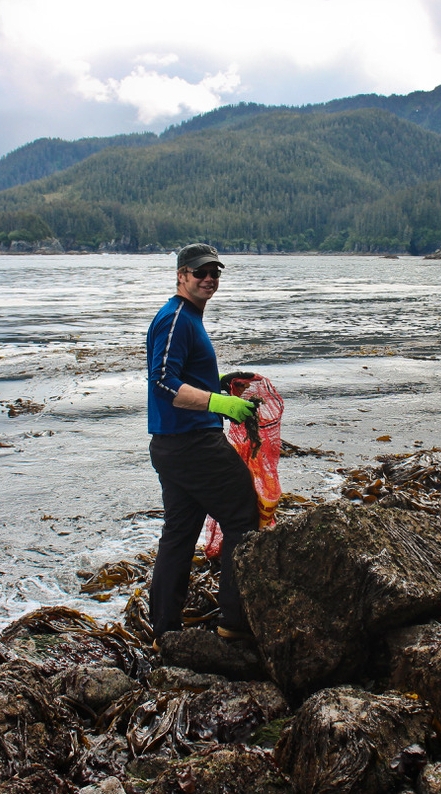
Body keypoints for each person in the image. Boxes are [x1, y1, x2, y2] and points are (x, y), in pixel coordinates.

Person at [145, 242, 259, 646]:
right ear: (181, 275)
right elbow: (162, 382)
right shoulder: (175, 318)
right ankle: (235, 623)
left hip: (173, 445)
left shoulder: (187, 318)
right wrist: (218, 401)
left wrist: (221, 387)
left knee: (178, 533)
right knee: (244, 515)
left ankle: (165, 631)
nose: (208, 278)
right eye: (199, 272)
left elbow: (182, 378)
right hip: (192, 444)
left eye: (215, 272)